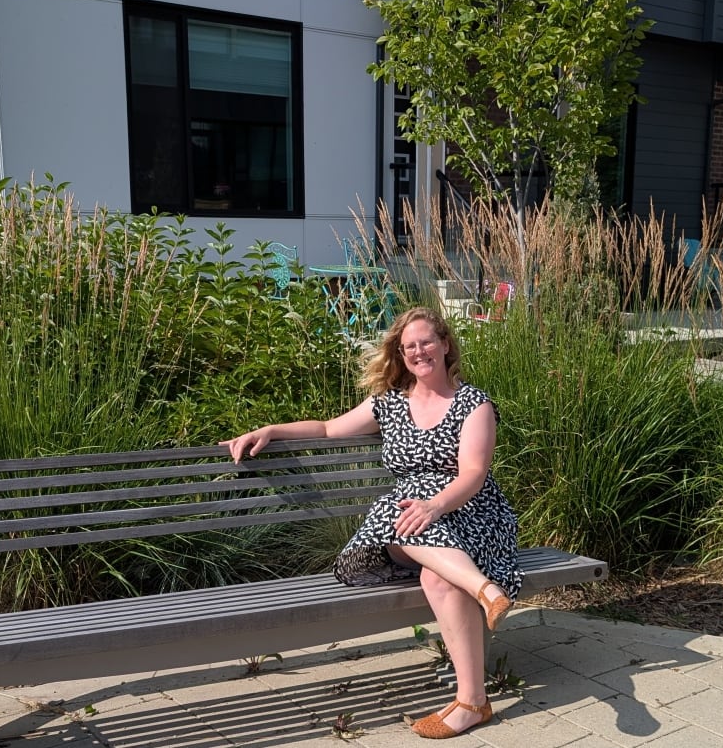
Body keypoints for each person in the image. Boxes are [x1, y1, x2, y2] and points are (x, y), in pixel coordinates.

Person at [222, 306, 521, 739]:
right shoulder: (388, 405)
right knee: (398, 511)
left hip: (469, 513)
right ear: (401, 355)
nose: (419, 352)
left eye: (426, 342)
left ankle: (472, 701)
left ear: (445, 344)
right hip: (412, 520)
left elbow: (473, 474)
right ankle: (486, 590)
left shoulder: (474, 404)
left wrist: (434, 505)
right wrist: (273, 428)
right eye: (409, 346)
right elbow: (327, 429)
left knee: (436, 579)